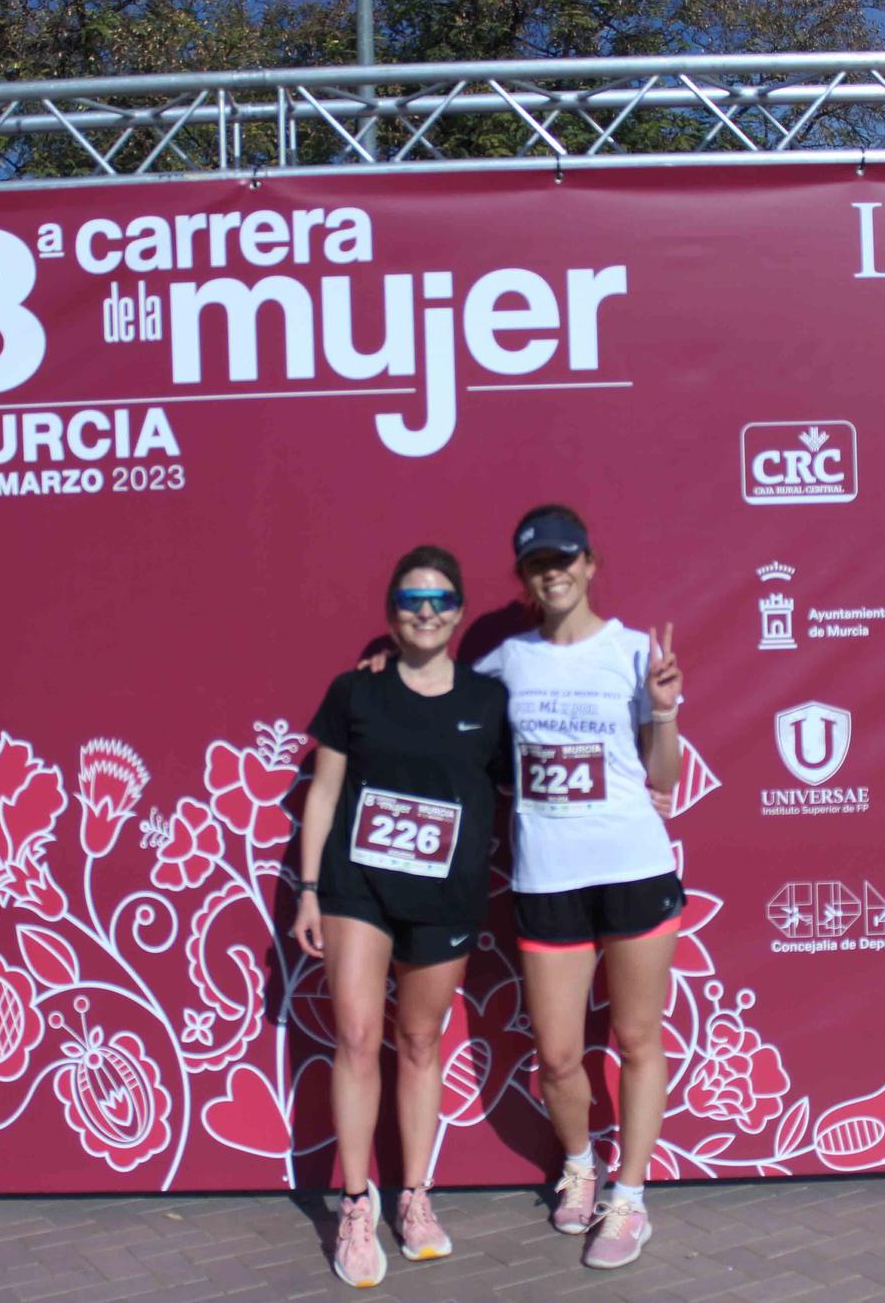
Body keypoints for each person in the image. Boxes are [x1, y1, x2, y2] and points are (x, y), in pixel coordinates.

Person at [472, 503, 683, 1270]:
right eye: (536, 563)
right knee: (558, 1057)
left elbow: (665, 778)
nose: (552, 572)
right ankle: (580, 1163)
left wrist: (662, 709)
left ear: (590, 564)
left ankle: (630, 1196)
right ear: (525, 578)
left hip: (632, 867)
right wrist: (384, 672)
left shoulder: (634, 654)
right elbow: (439, 703)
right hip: (548, 879)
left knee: (635, 1039)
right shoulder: (506, 661)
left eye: (564, 558)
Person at [293, 545, 510, 1289]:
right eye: (412, 600)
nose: (426, 612)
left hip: (446, 896)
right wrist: (310, 888)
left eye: (440, 598)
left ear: (458, 609)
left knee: (419, 1041)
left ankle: (413, 1196)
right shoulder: (356, 693)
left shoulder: (488, 702)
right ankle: (357, 1204)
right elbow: (323, 793)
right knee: (356, 1036)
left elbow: (528, 788)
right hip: (358, 888)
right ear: (392, 611)